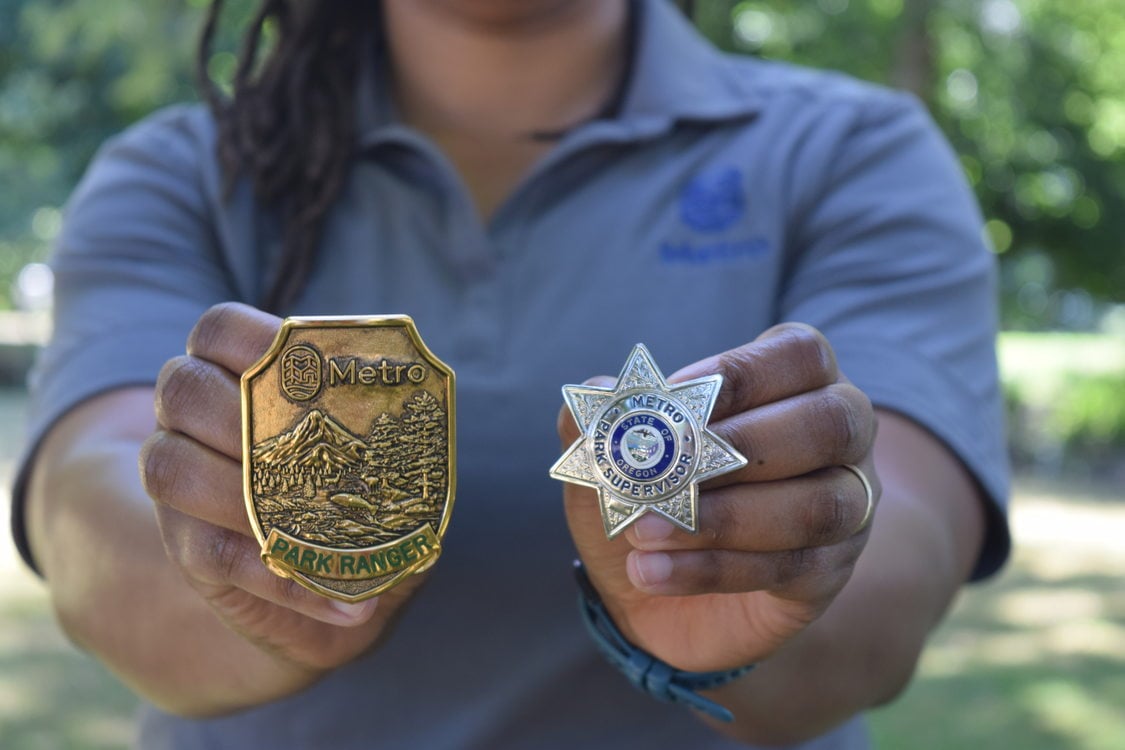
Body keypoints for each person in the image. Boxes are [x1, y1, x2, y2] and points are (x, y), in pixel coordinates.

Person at [11, 0, 1010, 747]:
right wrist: (246, 590)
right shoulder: (181, 172)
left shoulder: (854, 153)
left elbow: (903, 548)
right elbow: (86, 513)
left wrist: (760, 596)